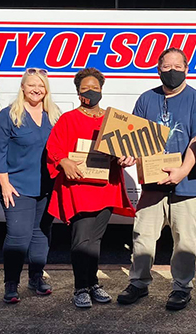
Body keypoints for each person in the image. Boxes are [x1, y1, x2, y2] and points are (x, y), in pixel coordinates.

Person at [116, 48, 196, 310]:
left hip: (188, 183)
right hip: (152, 183)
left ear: (187, 68)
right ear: (158, 69)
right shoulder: (146, 99)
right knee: (143, 236)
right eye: (166, 67)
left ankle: (182, 288)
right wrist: (129, 155)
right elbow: (134, 137)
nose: (171, 72)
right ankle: (138, 283)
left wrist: (183, 170)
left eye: (177, 66)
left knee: (184, 241)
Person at [45, 68, 136, 309]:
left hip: (105, 187)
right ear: (78, 91)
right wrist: (63, 161)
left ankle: (93, 282)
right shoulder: (68, 119)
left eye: (95, 87)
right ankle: (80, 287)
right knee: (81, 241)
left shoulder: (112, 120)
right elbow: (53, 149)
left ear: (102, 90)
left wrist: (126, 157)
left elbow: (125, 149)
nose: (91, 91)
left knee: (95, 241)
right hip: (79, 189)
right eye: (85, 87)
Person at [0, 68, 62, 304]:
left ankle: (36, 278)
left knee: (41, 234)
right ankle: (11, 284)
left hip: (46, 186)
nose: (36, 89)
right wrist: (4, 184)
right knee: (18, 236)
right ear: (22, 87)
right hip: (17, 187)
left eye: (41, 86)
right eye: (31, 85)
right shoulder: (8, 115)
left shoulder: (54, 114)